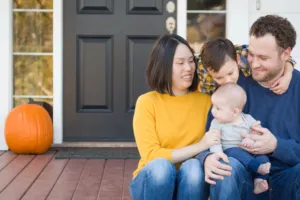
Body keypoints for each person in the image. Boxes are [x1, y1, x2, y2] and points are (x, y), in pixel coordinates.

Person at [197, 15, 300, 200]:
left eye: (263, 57)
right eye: (251, 54)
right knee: (226, 167)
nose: (254, 63)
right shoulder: (233, 83)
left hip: (289, 180)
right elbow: (210, 136)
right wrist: (207, 158)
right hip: (245, 178)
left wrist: (276, 145)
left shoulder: (297, 87)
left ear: (286, 54)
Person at [130, 34, 219, 200]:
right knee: (161, 167)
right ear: (163, 66)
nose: (188, 68)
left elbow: (233, 56)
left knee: (193, 167)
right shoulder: (147, 102)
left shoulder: (207, 101)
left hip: (191, 183)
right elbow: (151, 156)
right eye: (180, 63)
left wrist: (283, 71)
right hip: (153, 182)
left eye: (191, 60)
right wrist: (201, 146)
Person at [208, 83, 270, 194]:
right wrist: (218, 153)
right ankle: (256, 167)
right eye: (213, 106)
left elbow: (257, 132)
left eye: (218, 108)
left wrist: (252, 138)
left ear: (235, 112)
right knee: (236, 152)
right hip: (230, 151)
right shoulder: (216, 123)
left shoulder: (248, 119)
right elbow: (214, 141)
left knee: (263, 157)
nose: (213, 111)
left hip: (250, 151)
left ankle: (259, 181)